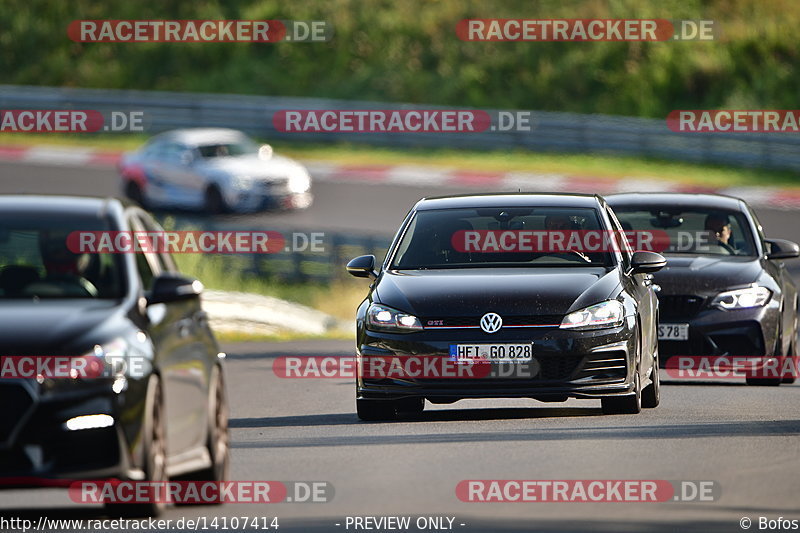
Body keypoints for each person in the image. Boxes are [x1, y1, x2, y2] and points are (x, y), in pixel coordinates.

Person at [25, 230, 98, 297]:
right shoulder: (32, 294)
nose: (63, 255)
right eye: (56, 250)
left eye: (72, 251)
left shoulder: (102, 291)